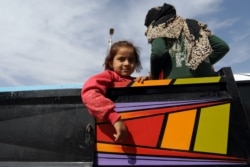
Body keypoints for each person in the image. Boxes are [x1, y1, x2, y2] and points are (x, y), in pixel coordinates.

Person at [81, 40, 148, 142]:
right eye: (121, 59)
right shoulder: (109, 76)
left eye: (131, 60)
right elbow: (89, 93)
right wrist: (115, 119)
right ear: (111, 63)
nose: (127, 63)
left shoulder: (136, 81)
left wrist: (146, 82)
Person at [144, 3, 230, 79]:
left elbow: (159, 52)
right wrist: (202, 63)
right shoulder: (193, 25)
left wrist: (153, 76)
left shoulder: (158, 28)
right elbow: (222, 47)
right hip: (209, 84)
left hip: (179, 87)